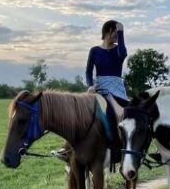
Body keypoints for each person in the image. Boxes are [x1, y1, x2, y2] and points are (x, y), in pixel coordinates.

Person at [52, 20, 129, 163]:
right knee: (80, 113)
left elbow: (123, 53)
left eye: (118, 34)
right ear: (107, 31)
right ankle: (68, 148)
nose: (117, 37)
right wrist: (90, 85)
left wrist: (121, 30)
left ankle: (118, 146)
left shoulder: (119, 50)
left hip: (115, 90)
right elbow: (88, 71)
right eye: (115, 33)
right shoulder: (94, 51)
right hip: (98, 87)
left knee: (117, 112)